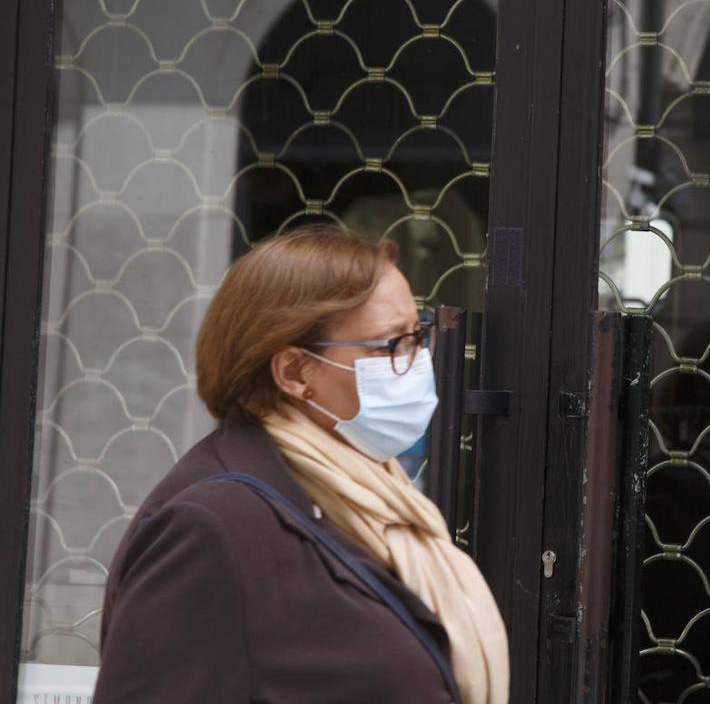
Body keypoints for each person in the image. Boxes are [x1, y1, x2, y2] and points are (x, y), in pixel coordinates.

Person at [93, 226, 508, 704]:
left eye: (420, 334)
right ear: (294, 373)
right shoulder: (212, 527)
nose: (417, 362)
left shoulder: (370, 497)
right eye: (390, 345)